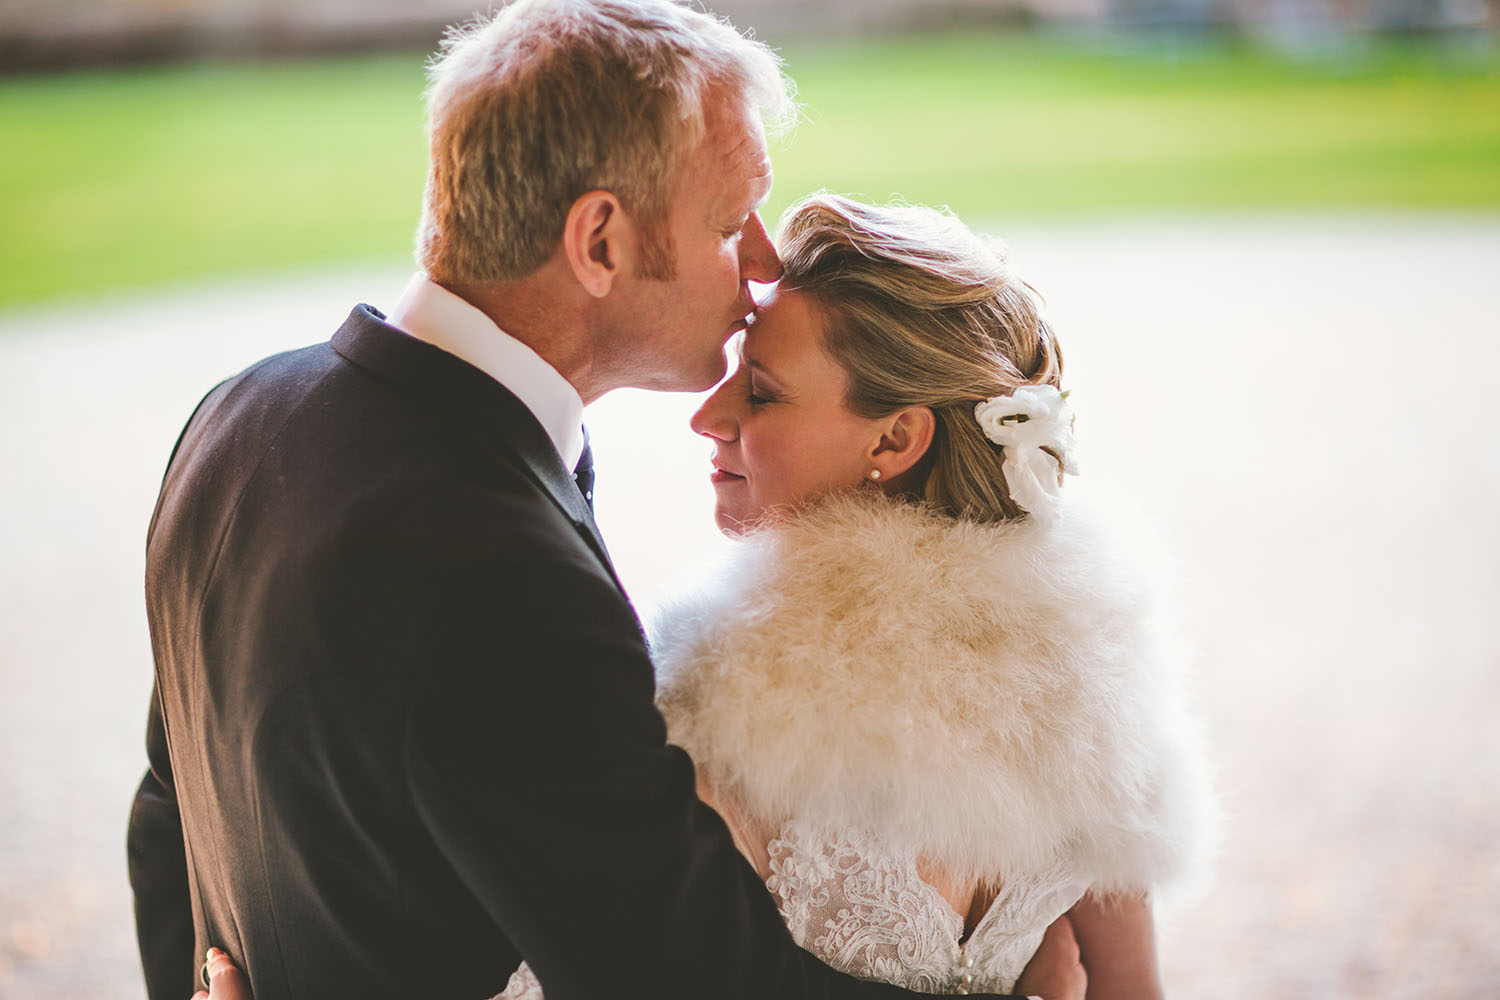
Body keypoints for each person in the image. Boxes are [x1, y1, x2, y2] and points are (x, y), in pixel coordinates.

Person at [129, 2, 1081, 1000]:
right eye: (726, 222)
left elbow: (167, 814)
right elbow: (678, 973)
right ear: (600, 242)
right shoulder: (499, 575)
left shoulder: (237, 414)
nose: (759, 262)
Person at [187, 193, 1211, 1000]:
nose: (708, 415)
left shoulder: (731, 701)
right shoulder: (1093, 676)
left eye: (761, 392)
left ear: (895, 440)